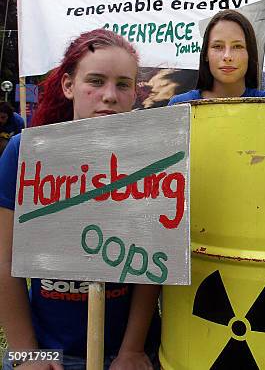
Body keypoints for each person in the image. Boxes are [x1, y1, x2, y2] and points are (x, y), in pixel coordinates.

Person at [0, 29, 161, 370]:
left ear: (135, 92)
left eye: (123, 84)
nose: (109, 96)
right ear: (68, 86)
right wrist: (26, 354)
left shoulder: (152, 158)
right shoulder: (24, 153)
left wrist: (131, 350)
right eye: (96, 81)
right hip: (50, 354)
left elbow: (155, 262)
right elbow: (4, 261)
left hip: (125, 355)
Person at [168, 9, 265, 104]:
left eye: (237, 46)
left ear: (250, 53)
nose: (227, 56)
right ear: (205, 55)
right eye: (218, 46)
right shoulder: (180, 106)